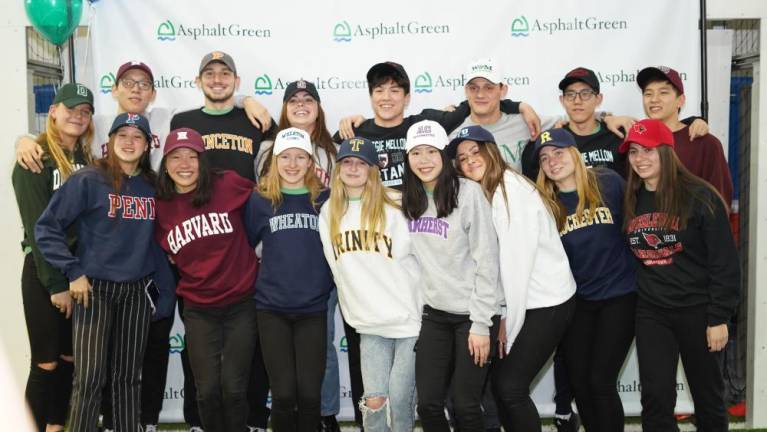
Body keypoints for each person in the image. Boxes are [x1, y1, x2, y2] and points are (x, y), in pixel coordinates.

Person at [446, 125, 576, 432]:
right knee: (503, 387)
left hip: (548, 302)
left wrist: (509, 325)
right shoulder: (487, 191)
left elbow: (516, 267)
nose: (469, 161)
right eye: (463, 158)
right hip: (527, 301)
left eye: (475, 152)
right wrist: (503, 316)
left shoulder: (511, 191)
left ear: (491, 152)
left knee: (510, 387)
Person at [35, 112, 158, 432]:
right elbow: (47, 228)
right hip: (94, 290)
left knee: (128, 378)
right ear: (111, 141)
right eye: (123, 135)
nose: (130, 142)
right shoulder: (89, 179)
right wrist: (73, 272)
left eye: (137, 137)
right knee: (89, 379)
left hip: (137, 292)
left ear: (147, 146)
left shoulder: (152, 186)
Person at [170, 51, 273, 431]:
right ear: (198, 81)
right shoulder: (183, 121)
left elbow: (286, 155)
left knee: (249, 352)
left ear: (237, 79)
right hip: (198, 249)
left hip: (244, 248)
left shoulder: (255, 119)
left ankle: (253, 421)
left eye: (225, 72)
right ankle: (200, 422)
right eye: (209, 73)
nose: (217, 79)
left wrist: (251, 103)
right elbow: (173, 172)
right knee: (199, 354)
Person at [622, 119, 740, 431]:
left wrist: (719, 318)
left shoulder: (701, 197)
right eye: (634, 151)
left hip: (699, 311)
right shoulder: (630, 197)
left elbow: (725, 263)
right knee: (656, 398)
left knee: (708, 397)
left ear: (667, 152)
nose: (640, 158)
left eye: (649, 151)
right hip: (652, 312)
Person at [154, 128, 258, 432]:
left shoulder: (228, 184)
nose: (184, 164)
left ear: (203, 161)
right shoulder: (160, 204)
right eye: (176, 156)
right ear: (166, 162)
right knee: (208, 390)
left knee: (234, 389)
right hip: (198, 307)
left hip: (241, 302)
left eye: (192, 156)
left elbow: (269, 197)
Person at [534, 128, 637, 431]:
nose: (552, 161)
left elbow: (634, 227)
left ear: (574, 153)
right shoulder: (546, 204)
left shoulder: (608, 182)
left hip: (620, 295)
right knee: (580, 382)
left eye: (558, 152)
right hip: (579, 302)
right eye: (544, 158)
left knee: (600, 380)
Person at [401, 120, 500, 431]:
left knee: (466, 404)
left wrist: (482, 324)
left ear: (445, 155)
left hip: (473, 315)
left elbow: (487, 262)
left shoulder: (468, 193)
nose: (424, 159)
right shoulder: (408, 200)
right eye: (416, 152)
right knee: (428, 405)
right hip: (435, 315)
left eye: (431, 151)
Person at [255, 79, 342, 431]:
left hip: (315, 298)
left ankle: (327, 415)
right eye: (286, 157)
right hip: (273, 301)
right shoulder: (261, 194)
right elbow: (250, 240)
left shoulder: (326, 188)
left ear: (310, 162)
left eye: (300, 158)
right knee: (285, 393)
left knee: (311, 389)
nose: (292, 164)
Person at [319, 137, 421, 431]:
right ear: (337, 169)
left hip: (409, 321)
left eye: (362, 163)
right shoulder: (329, 213)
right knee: (374, 402)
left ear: (373, 169)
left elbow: (424, 257)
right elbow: (336, 269)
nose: (353, 168)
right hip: (368, 324)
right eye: (347, 162)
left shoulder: (398, 204)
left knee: (401, 400)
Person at [11, 83, 94, 432]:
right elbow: (36, 228)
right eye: (70, 108)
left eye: (85, 111)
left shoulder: (87, 160)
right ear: (54, 111)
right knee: (45, 363)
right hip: (47, 274)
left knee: (69, 360)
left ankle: (55, 427)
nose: (77, 115)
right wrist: (57, 284)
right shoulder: (34, 158)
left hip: (80, 274)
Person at [637, 66, 733, 206]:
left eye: (663, 93)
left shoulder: (705, 143)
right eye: (648, 94)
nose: (654, 99)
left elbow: (720, 199)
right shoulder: (637, 142)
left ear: (680, 100)